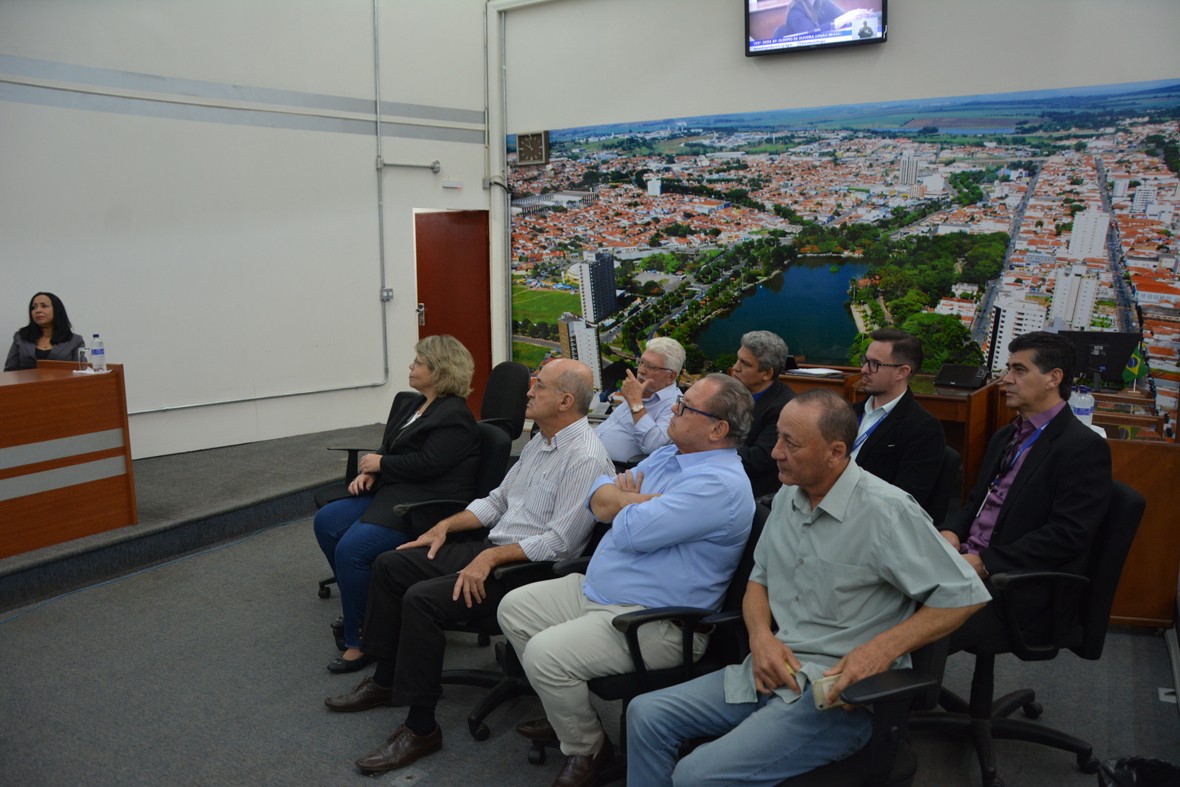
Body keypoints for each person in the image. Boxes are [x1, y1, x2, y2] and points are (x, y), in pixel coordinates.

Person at [626, 390, 989, 785]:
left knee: (695, 775)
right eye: (778, 437)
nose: (775, 452)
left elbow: (963, 595)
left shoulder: (887, 512)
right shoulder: (787, 496)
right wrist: (760, 636)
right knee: (646, 714)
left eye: (791, 443)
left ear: (835, 452)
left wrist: (881, 651)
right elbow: (759, 580)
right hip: (772, 669)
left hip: (837, 695)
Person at [324, 358, 614, 776]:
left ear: (565, 401)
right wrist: (444, 526)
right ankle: (387, 680)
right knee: (390, 565)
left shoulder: (585, 457)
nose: (528, 391)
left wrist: (489, 557)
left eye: (539, 386)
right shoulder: (541, 441)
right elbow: (496, 501)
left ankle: (421, 729)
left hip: (529, 570)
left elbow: (560, 543)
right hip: (493, 548)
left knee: (422, 600)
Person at [498, 373, 757, 787]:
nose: (672, 410)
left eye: (685, 407)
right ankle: (570, 717)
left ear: (717, 429)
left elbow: (629, 530)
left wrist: (621, 503)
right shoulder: (672, 454)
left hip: (656, 620)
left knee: (546, 655)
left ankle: (587, 749)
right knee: (515, 608)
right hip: (603, 593)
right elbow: (597, 498)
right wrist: (632, 501)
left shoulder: (718, 485)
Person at [312, 335, 481, 673]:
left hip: (424, 504)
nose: (411, 367)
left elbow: (428, 464)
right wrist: (372, 471)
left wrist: (382, 465)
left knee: (351, 550)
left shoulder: (455, 416)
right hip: (395, 492)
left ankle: (363, 640)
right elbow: (392, 446)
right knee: (327, 521)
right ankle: (365, 607)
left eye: (418, 363)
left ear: (440, 371)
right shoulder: (413, 404)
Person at [940, 331, 1112, 651]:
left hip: (1014, 588)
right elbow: (977, 502)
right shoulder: (1007, 435)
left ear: (1053, 378)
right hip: (966, 563)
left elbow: (1065, 536)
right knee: (883, 594)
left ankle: (900, 681)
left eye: (1019, 370)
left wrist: (985, 562)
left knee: (912, 625)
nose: (1006, 379)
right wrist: (952, 532)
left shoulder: (1082, 448)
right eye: (1008, 369)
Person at [852, 328, 946, 515]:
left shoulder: (923, 429)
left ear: (902, 372)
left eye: (874, 364)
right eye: (865, 361)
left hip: (869, 518)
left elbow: (904, 500)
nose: (864, 369)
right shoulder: (849, 412)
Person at [595, 337, 684, 465]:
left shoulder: (675, 406)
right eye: (641, 362)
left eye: (651, 367)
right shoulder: (641, 390)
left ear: (671, 376)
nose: (641, 370)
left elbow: (653, 445)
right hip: (591, 451)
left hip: (615, 468)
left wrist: (635, 404)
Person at [729, 330, 795, 498]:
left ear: (767, 373)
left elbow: (758, 460)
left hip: (753, 493)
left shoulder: (784, 408)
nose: (736, 367)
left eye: (745, 364)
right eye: (737, 359)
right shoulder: (733, 392)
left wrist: (711, 442)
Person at [5, 292, 85, 372]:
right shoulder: (21, 337)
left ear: (57, 310)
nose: (38, 310)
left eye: (44, 306)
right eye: (34, 307)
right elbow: (9, 370)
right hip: (25, 380)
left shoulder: (75, 340)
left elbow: (82, 371)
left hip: (63, 380)